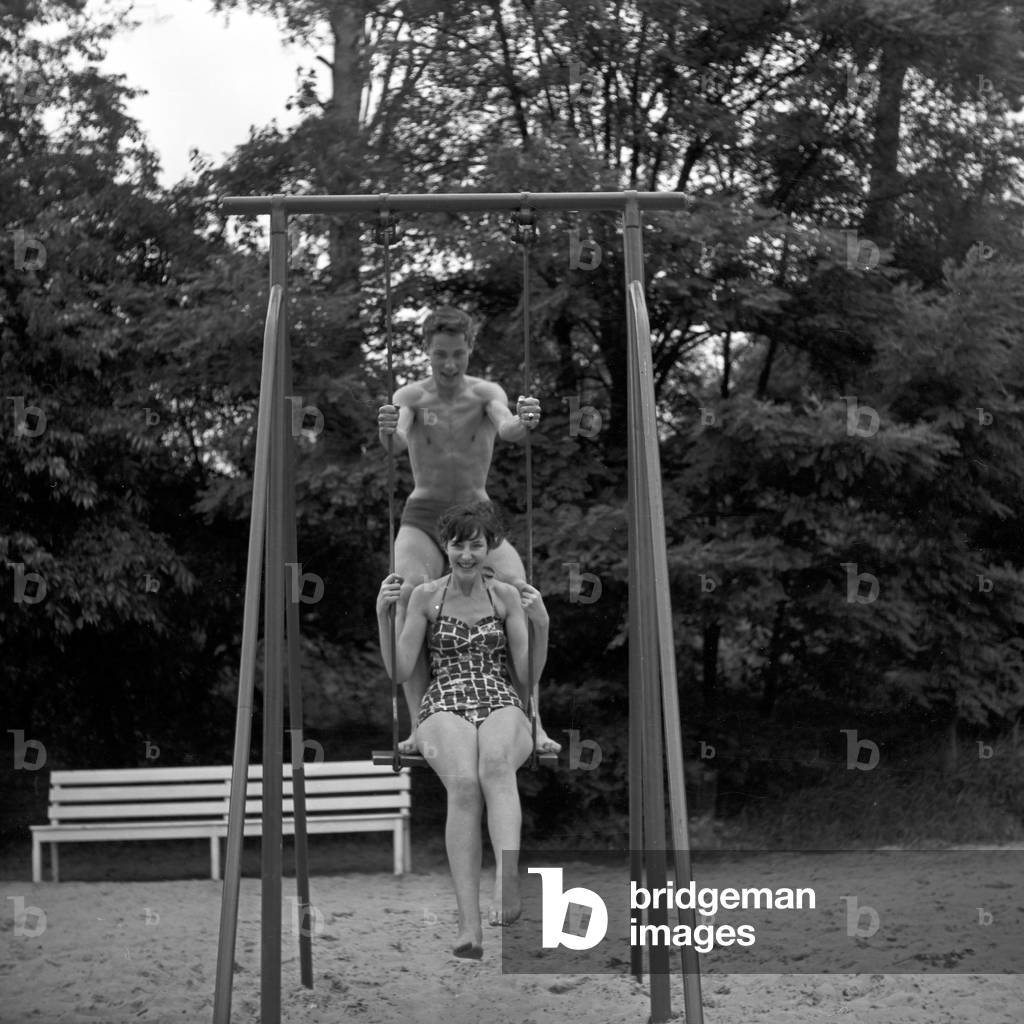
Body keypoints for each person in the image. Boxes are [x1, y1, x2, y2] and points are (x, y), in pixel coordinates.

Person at [377, 305, 560, 756]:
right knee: (407, 592)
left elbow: (510, 428)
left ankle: (532, 719)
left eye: (458, 353)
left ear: (470, 348)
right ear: (426, 351)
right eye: (440, 354)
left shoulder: (484, 393)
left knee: (519, 591)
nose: (449, 364)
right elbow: (397, 441)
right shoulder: (412, 397)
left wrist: (526, 419)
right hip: (423, 513)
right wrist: (386, 430)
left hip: (475, 513)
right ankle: (420, 724)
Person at [376, 503, 544, 958]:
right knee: (464, 785)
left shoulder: (505, 597)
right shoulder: (425, 597)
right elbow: (401, 670)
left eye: (476, 544)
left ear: (488, 548)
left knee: (494, 766)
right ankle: (469, 926)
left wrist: (541, 625)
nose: (467, 554)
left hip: (500, 697)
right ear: (446, 547)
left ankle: (507, 879)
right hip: (444, 701)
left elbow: (525, 675)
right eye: (458, 544)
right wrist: (382, 617)